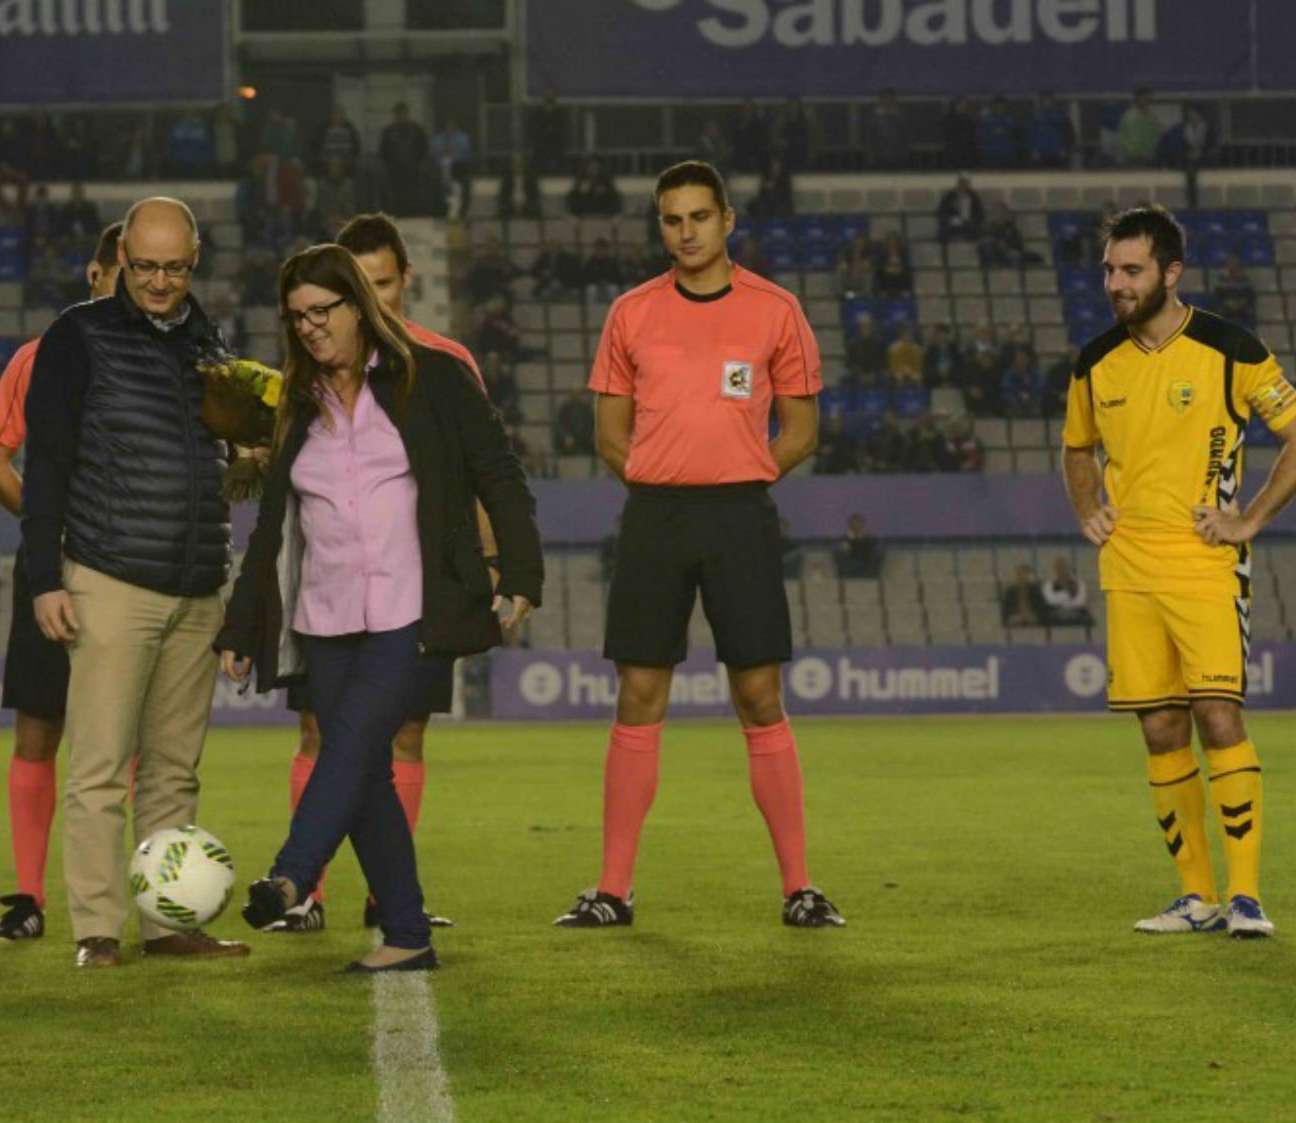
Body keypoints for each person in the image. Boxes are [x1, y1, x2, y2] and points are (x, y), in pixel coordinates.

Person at [221, 243, 543, 972]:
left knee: (351, 745)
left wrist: (520, 570)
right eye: (296, 316)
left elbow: (499, 474)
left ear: (358, 308)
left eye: (321, 310)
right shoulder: (296, 404)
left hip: (413, 608)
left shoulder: (433, 380)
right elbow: (272, 522)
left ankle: (290, 876)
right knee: (365, 772)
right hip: (325, 616)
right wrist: (243, 622)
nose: (308, 327)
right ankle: (406, 934)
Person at [557, 161, 842, 932]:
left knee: (759, 696)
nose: (685, 233)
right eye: (671, 220)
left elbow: (804, 429)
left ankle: (800, 886)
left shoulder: (777, 311)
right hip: (653, 518)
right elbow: (609, 435)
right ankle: (612, 888)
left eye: (698, 218)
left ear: (727, 221)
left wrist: (742, 475)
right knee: (639, 695)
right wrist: (662, 477)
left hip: (741, 519)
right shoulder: (631, 313)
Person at [1062, 205, 1296, 939]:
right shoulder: (1094, 361)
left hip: (1205, 565)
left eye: (1132, 270)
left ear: (1171, 273)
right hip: (1129, 569)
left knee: (1218, 713)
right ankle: (1196, 896)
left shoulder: (1230, 348)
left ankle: (1245, 896)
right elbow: (1077, 448)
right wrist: (1089, 506)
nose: (1116, 283)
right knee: (1158, 726)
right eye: (1110, 269)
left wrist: (1248, 521)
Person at [21, 198, 249, 969]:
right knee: (98, 765)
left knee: (176, 769)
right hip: (110, 578)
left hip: (197, 585)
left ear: (194, 260)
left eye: (175, 268)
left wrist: (247, 464)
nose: (158, 281)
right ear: (121, 259)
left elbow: (221, 457)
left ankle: (169, 920)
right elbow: (44, 464)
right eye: (145, 266)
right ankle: (96, 930)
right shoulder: (77, 335)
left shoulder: (211, 340)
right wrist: (44, 578)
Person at [0, 222, 121, 942]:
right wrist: (52, 523)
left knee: (134, 738)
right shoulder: (39, 358)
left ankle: (125, 891)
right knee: (40, 726)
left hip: (137, 572)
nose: (137, 284)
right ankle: (28, 897)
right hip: (53, 568)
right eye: (123, 270)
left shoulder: (178, 360)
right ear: (94, 273)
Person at [1040, 556, 1093, 626]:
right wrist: (1067, 595)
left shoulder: (1079, 584)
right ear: (1055, 569)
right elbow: (1050, 601)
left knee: (1087, 618)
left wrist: (1061, 599)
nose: (1062, 570)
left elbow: (1081, 601)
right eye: (1059, 567)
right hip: (1056, 614)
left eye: (1064, 567)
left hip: (1076, 613)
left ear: (1069, 568)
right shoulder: (1048, 585)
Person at [937, 174, 984, 243]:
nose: (963, 185)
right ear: (958, 183)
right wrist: (950, 220)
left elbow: (979, 213)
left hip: (969, 226)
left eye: (966, 183)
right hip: (952, 225)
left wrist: (974, 221)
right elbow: (942, 212)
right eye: (961, 182)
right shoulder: (949, 196)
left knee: (978, 232)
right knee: (942, 233)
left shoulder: (973, 197)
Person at [834, 514, 883, 578]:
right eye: (854, 524)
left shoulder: (870, 540)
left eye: (858, 524)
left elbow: (877, 548)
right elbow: (836, 548)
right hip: (848, 568)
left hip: (867, 567)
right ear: (849, 525)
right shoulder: (843, 540)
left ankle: (871, 577)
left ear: (862, 525)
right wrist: (843, 546)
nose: (856, 526)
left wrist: (861, 539)